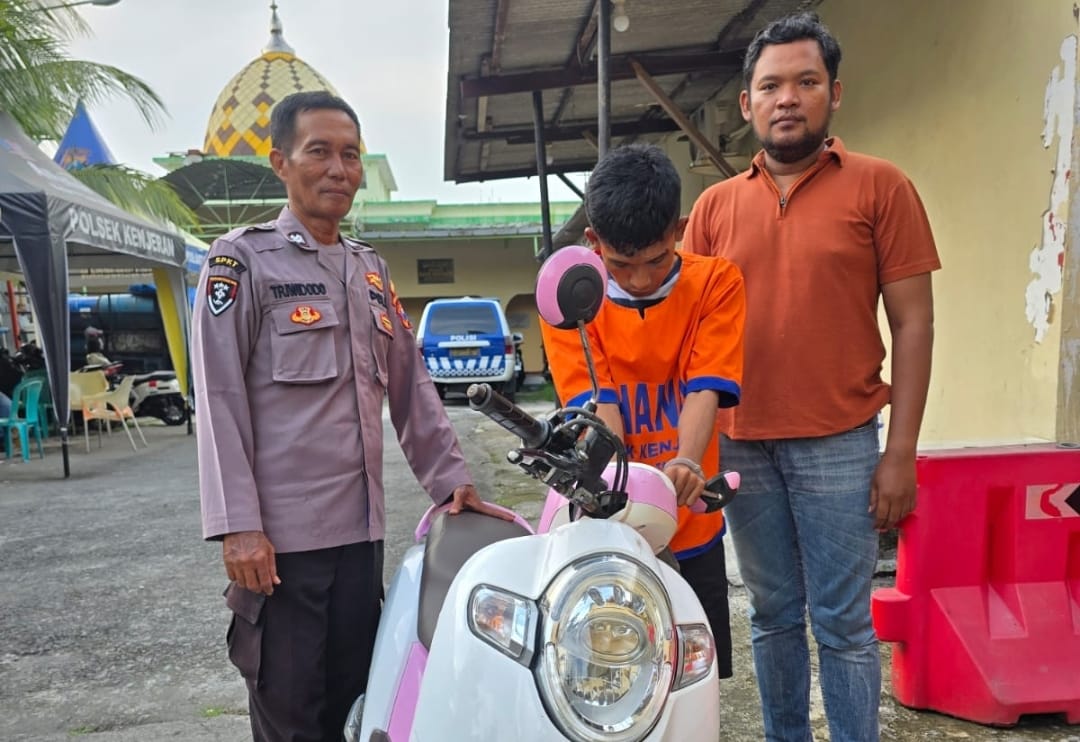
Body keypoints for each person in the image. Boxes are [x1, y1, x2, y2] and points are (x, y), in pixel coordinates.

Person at [191, 90, 508, 742]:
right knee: (291, 718)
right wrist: (237, 526)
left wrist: (452, 481)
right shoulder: (240, 261)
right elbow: (219, 398)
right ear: (281, 162)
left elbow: (411, 385)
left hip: (360, 543)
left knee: (360, 710)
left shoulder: (369, 270)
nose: (339, 169)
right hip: (281, 551)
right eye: (320, 152)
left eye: (351, 155)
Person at [682, 12, 941, 742]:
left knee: (844, 625)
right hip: (742, 445)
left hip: (842, 443)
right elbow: (690, 337)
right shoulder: (714, 208)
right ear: (747, 103)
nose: (787, 98)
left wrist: (900, 452)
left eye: (805, 82)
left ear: (835, 93)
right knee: (771, 615)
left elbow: (914, 324)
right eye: (771, 86)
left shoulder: (882, 188)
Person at [541, 143, 746, 678]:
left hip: (691, 523)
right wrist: (626, 485)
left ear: (678, 230)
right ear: (593, 242)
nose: (638, 279)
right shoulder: (569, 298)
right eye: (621, 264)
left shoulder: (717, 282)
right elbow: (599, 403)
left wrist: (687, 461)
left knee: (694, 680)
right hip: (612, 524)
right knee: (609, 679)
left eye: (655, 260)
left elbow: (705, 387)